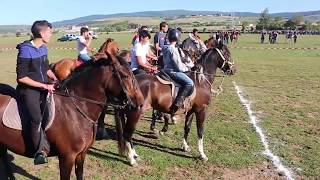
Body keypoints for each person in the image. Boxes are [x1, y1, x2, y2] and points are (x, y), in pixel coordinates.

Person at [16, 20, 57, 165]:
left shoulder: (43, 48)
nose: (51, 35)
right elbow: (21, 77)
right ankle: (38, 151)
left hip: (43, 86)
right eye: (49, 32)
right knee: (37, 119)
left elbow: (46, 68)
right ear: (41, 33)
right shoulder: (25, 50)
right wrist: (44, 86)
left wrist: (54, 77)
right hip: (28, 90)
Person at [162, 29, 194, 113]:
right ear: (177, 38)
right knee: (190, 83)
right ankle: (178, 102)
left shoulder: (165, 47)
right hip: (173, 72)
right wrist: (188, 68)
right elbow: (179, 67)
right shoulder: (173, 50)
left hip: (165, 70)